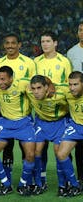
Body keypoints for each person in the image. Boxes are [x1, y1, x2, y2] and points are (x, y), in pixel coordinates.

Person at [0, 33, 36, 183]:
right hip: (5, 119)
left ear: (19, 45)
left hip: (24, 118)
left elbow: (34, 87)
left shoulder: (29, 63)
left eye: (13, 43)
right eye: (7, 43)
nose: (10, 46)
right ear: (4, 45)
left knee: (28, 152)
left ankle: (27, 182)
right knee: (6, 150)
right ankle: (6, 181)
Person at [0, 66, 35, 196]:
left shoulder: (23, 84)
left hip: (24, 123)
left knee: (30, 155)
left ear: (11, 78)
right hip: (5, 123)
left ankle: (22, 184)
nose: (0, 82)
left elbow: (40, 84)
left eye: (3, 79)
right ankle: (6, 184)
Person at [27, 75, 68, 195]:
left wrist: (53, 86)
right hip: (41, 123)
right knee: (36, 152)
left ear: (46, 87)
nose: (36, 92)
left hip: (59, 123)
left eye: (39, 88)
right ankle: (39, 183)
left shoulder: (59, 94)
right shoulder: (28, 92)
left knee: (58, 152)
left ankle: (62, 185)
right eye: (33, 88)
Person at [56, 71, 83, 197]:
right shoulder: (66, 93)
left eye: (75, 84)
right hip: (76, 127)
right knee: (61, 154)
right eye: (70, 85)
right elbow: (52, 89)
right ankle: (75, 185)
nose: (72, 88)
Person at [67, 22, 83, 184]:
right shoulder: (72, 52)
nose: (82, 33)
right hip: (77, 101)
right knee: (79, 145)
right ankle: (79, 176)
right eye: (80, 30)